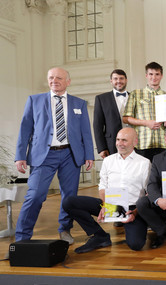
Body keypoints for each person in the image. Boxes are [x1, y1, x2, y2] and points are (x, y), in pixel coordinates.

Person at [14, 67, 94, 243]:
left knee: (69, 197)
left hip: (70, 155)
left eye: (59, 78)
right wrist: (20, 156)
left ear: (68, 81)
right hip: (43, 156)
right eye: (51, 77)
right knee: (35, 195)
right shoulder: (34, 101)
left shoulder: (78, 103)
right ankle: (22, 236)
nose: (54, 81)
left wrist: (89, 155)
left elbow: (85, 132)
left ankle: (65, 229)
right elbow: (25, 129)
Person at [62, 128, 150, 253]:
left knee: (136, 244)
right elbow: (102, 186)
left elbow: (148, 194)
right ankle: (99, 236)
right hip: (110, 205)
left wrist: (135, 213)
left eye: (124, 140)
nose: (120, 143)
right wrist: (104, 205)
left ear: (135, 142)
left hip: (132, 209)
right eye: (118, 140)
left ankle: (137, 226)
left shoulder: (144, 163)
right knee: (69, 202)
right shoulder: (108, 161)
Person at [123, 62, 166, 162]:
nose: (154, 77)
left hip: (162, 143)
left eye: (157, 74)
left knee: (161, 176)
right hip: (142, 144)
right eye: (151, 74)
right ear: (146, 75)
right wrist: (146, 123)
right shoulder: (136, 94)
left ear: (161, 76)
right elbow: (125, 118)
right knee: (143, 176)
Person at [93, 69, 129, 159]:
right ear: (111, 81)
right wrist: (101, 148)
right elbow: (97, 125)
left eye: (121, 78)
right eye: (115, 79)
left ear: (126, 80)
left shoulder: (134, 97)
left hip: (133, 143)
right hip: (111, 144)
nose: (118, 81)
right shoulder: (101, 99)